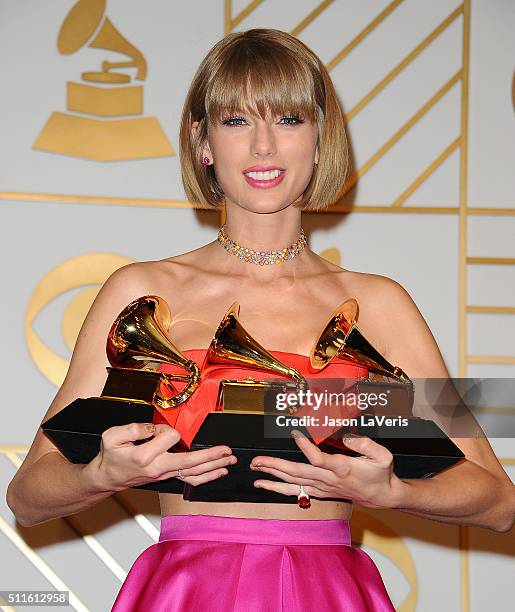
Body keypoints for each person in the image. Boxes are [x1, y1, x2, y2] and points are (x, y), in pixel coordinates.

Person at [7, 28, 514, 612]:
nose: (264, 147)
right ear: (203, 141)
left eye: (290, 119)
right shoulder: (142, 292)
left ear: (321, 138)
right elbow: (27, 495)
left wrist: (392, 489)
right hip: (185, 591)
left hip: (327, 591)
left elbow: (498, 501)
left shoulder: (380, 304)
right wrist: (101, 474)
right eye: (236, 121)